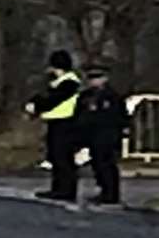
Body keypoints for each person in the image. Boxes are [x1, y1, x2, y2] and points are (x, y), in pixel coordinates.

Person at [25, 50, 83, 202]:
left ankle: (66, 190)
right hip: (57, 122)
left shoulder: (69, 83)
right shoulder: (59, 82)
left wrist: (37, 107)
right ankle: (58, 188)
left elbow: (53, 100)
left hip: (66, 123)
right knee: (56, 157)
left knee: (63, 158)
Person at [76, 64, 129, 206]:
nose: (94, 81)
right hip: (92, 135)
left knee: (108, 164)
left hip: (108, 135)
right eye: (91, 78)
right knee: (97, 165)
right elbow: (80, 115)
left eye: (98, 78)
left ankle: (111, 194)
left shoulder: (112, 96)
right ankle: (103, 190)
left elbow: (120, 117)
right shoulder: (86, 96)